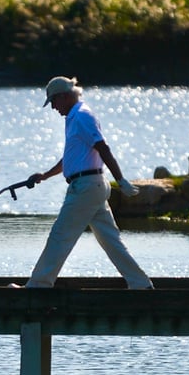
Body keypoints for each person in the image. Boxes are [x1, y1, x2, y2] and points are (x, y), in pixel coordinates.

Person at [20, 76, 153, 289]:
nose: (53, 107)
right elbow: (71, 159)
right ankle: (141, 284)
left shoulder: (82, 116)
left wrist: (121, 180)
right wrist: (44, 175)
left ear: (63, 96)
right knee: (111, 241)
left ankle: (38, 286)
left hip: (86, 187)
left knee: (60, 236)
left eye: (53, 101)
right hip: (90, 186)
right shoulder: (73, 118)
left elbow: (103, 148)